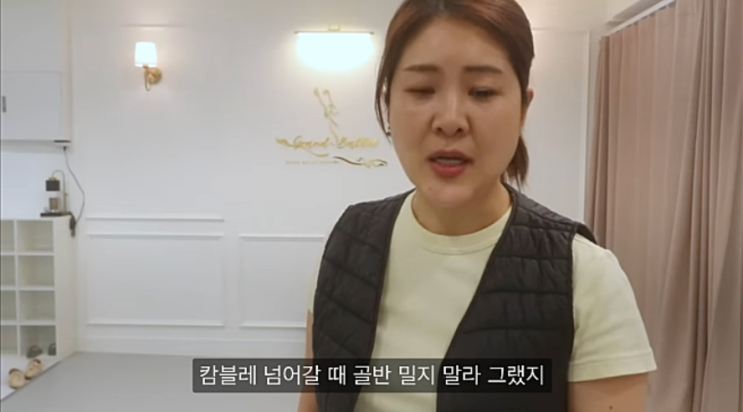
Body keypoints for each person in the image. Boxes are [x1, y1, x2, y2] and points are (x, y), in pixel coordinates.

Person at [297, 0, 657, 411]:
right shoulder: (347, 241)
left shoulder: (586, 275)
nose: (450, 120)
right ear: (388, 105)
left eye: (482, 92)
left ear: (523, 109)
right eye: (422, 90)